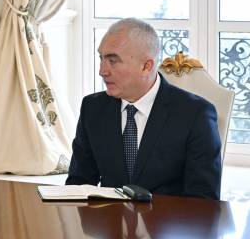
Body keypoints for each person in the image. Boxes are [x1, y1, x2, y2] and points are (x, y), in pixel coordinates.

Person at [66, 18, 222, 199]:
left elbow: (203, 201)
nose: (102, 71)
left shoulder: (196, 115)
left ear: (146, 66)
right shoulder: (92, 108)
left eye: (113, 61)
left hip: (170, 217)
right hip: (108, 216)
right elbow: (78, 185)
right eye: (101, 58)